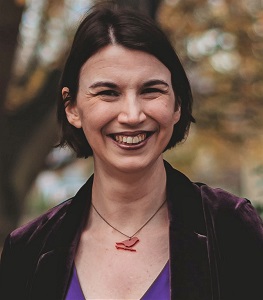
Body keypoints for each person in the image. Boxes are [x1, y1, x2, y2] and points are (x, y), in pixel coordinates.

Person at [0, 2, 263, 300]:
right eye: (108, 93)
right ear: (72, 107)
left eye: (151, 90)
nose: (132, 114)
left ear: (177, 104)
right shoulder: (29, 250)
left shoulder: (228, 226)